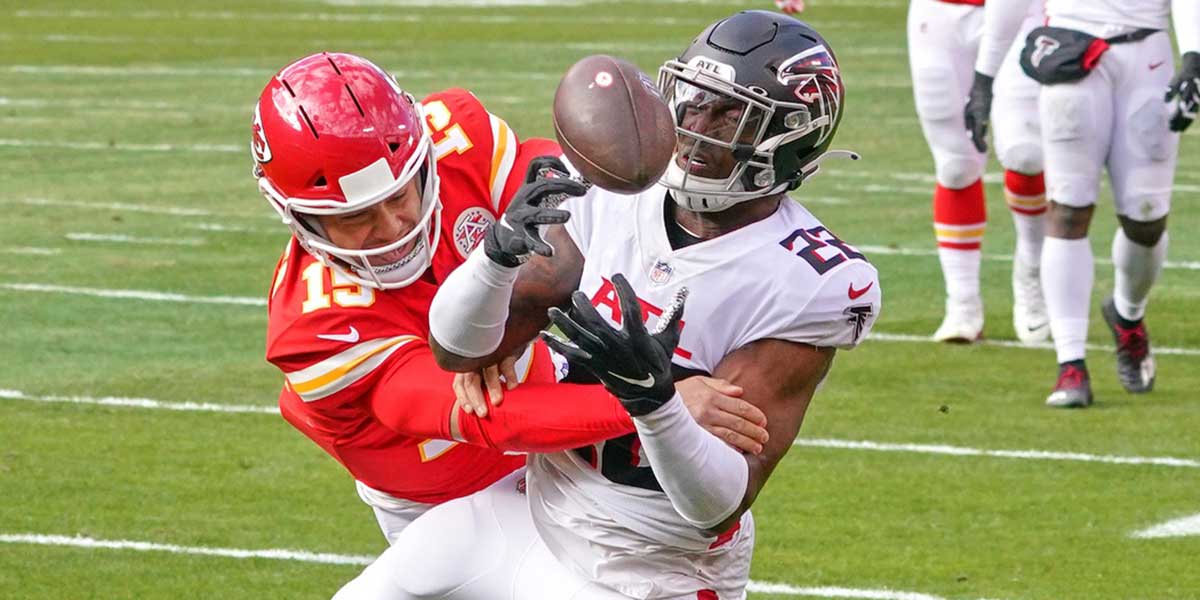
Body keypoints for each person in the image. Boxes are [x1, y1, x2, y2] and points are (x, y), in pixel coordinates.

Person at [335, 11, 881, 599]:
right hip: (532, 508)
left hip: (646, 566)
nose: (696, 125)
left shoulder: (808, 280)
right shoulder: (610, 191)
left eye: (730, 113)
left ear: (789, 139)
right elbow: (457, 352)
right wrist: (494, 261)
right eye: (694, 100)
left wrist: (653, 402)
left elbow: (718, 505)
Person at [251, 51, 767, 546]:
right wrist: (658, 405)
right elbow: (488, 415)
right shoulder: (312, 330)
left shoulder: (456, 134)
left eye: (400, 195)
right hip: (440, 503)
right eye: (355, 217)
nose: (394, 229)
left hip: (557, 454)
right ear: (299, 218)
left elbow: (552, 177)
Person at [973, 0, 1198, 407]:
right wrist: (984, 75)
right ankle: (1070, 363)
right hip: (1072, 47)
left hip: (1147, 52)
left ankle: (1127, 312)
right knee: (1069, 208)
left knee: (1146, 218)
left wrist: (1195, 57)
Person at [909, 0, 1050, 343]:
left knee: (1026, 155)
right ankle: (962, 302)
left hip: (1023, 13)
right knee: (955, 167)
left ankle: (1032, 273)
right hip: (938, 12)